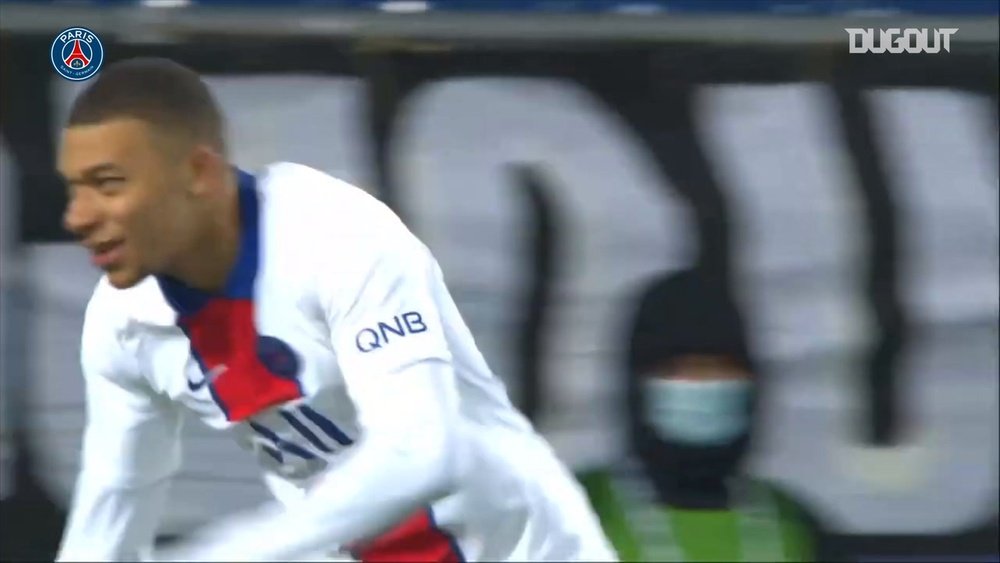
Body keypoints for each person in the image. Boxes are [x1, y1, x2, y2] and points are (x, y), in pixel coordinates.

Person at [54, 57, 616, 562]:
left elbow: (421, 451)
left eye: (108, 185)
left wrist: (224, 554)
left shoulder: (336, 237)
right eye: (74, 188)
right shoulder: (122, 324)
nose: (78, 216)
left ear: (198, 173)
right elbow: (114, 502)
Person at [587, 269, 821, 561]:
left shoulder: (792, 524)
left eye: (721, 370)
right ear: (637, 385)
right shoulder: (571, 509)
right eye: (681, 371)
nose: (704, 385)